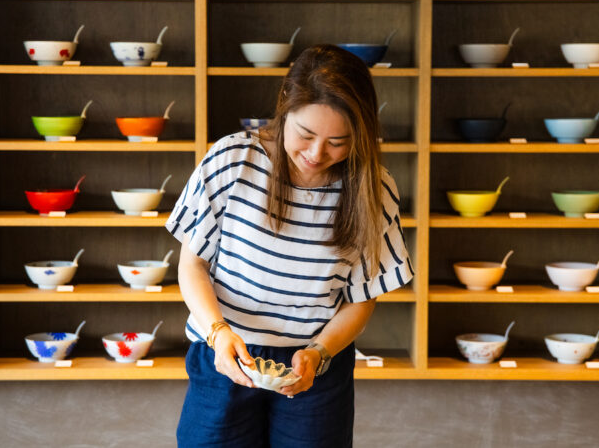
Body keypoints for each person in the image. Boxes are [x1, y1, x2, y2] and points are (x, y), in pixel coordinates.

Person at [166, 44, 414, 448]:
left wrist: (319, 352)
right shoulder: (233, 159)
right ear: (285, 106)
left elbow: (362, 299)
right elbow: (192, 265)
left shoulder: (373, 187)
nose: (317, 154)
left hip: (315, 367)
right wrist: (218, 334)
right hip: (225, 352)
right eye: (306, 134)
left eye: (339, 141)